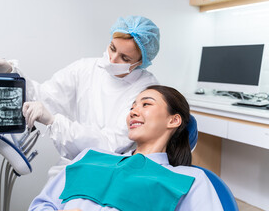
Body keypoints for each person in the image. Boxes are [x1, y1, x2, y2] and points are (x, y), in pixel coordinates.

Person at [0, 16, 160, 177]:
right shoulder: (86, 69)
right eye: (112, 48)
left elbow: (111, 144)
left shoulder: (146, 90)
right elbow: (45, 96)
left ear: (142, 61)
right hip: (72, 165)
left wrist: (54, 122)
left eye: (125, 58)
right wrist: (11, 73)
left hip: (113, 171)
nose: (112, 59)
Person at [28, 85, 223, 211]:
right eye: (131, 107)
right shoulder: (89, 157)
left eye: (146, 104)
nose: (133, 112)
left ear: (174, 120)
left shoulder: (188, 179)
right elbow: (41, 205)